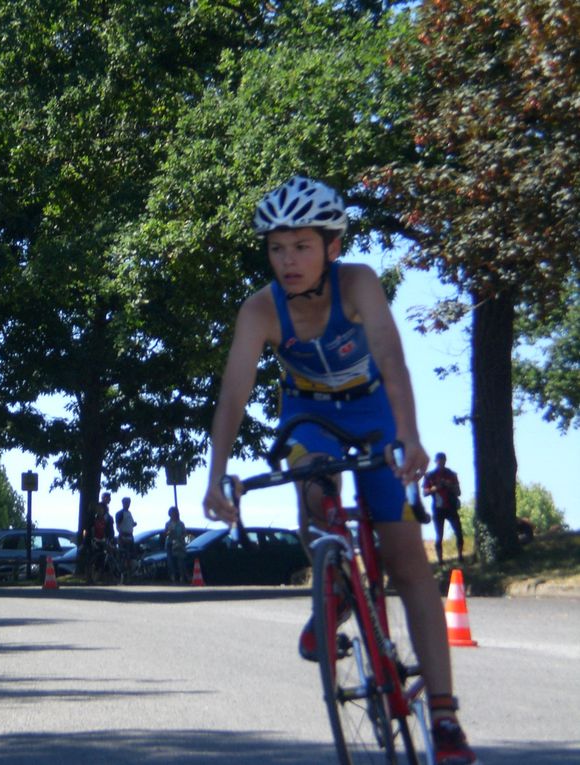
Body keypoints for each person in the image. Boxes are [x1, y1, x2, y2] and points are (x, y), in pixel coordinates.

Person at [201, 177, 477, 764]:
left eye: (302, 246)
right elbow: (232, 394)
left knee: (407, 562)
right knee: (314, 485)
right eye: (277, 248)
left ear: (331, 246)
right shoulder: (259, 310)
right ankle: (332, 593)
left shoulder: (360, 284)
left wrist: (409, 435)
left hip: (374, 411)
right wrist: (216, 474)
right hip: (309, 415)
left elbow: (392, 355)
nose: (288, 260)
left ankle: (446, 716)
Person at [423, 452, 464, 564]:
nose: (441, 462)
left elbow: (458, 492)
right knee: (439, 535)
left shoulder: (451, 474)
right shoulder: (430, 475)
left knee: (459, 532)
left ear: (445, 461)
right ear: (436, 461)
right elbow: (425, 493)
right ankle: (440, 560)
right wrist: (435, 488)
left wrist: (449, 485)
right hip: (438, 508)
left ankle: (460, 556)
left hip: (451, 507)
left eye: (443, 460)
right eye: (439, 460)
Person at [164, 506, 188, 583]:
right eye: (171, 513)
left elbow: (184, 533)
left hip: (179, 544)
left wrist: (181, 537)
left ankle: (182, 576)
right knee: (170, 561)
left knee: (180, 561)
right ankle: (173, 576)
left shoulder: (181, 524)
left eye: (174, 513)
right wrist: (169, 532)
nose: (172, 515)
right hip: (170, 543)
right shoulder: (168, 524)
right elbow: (165, 534)